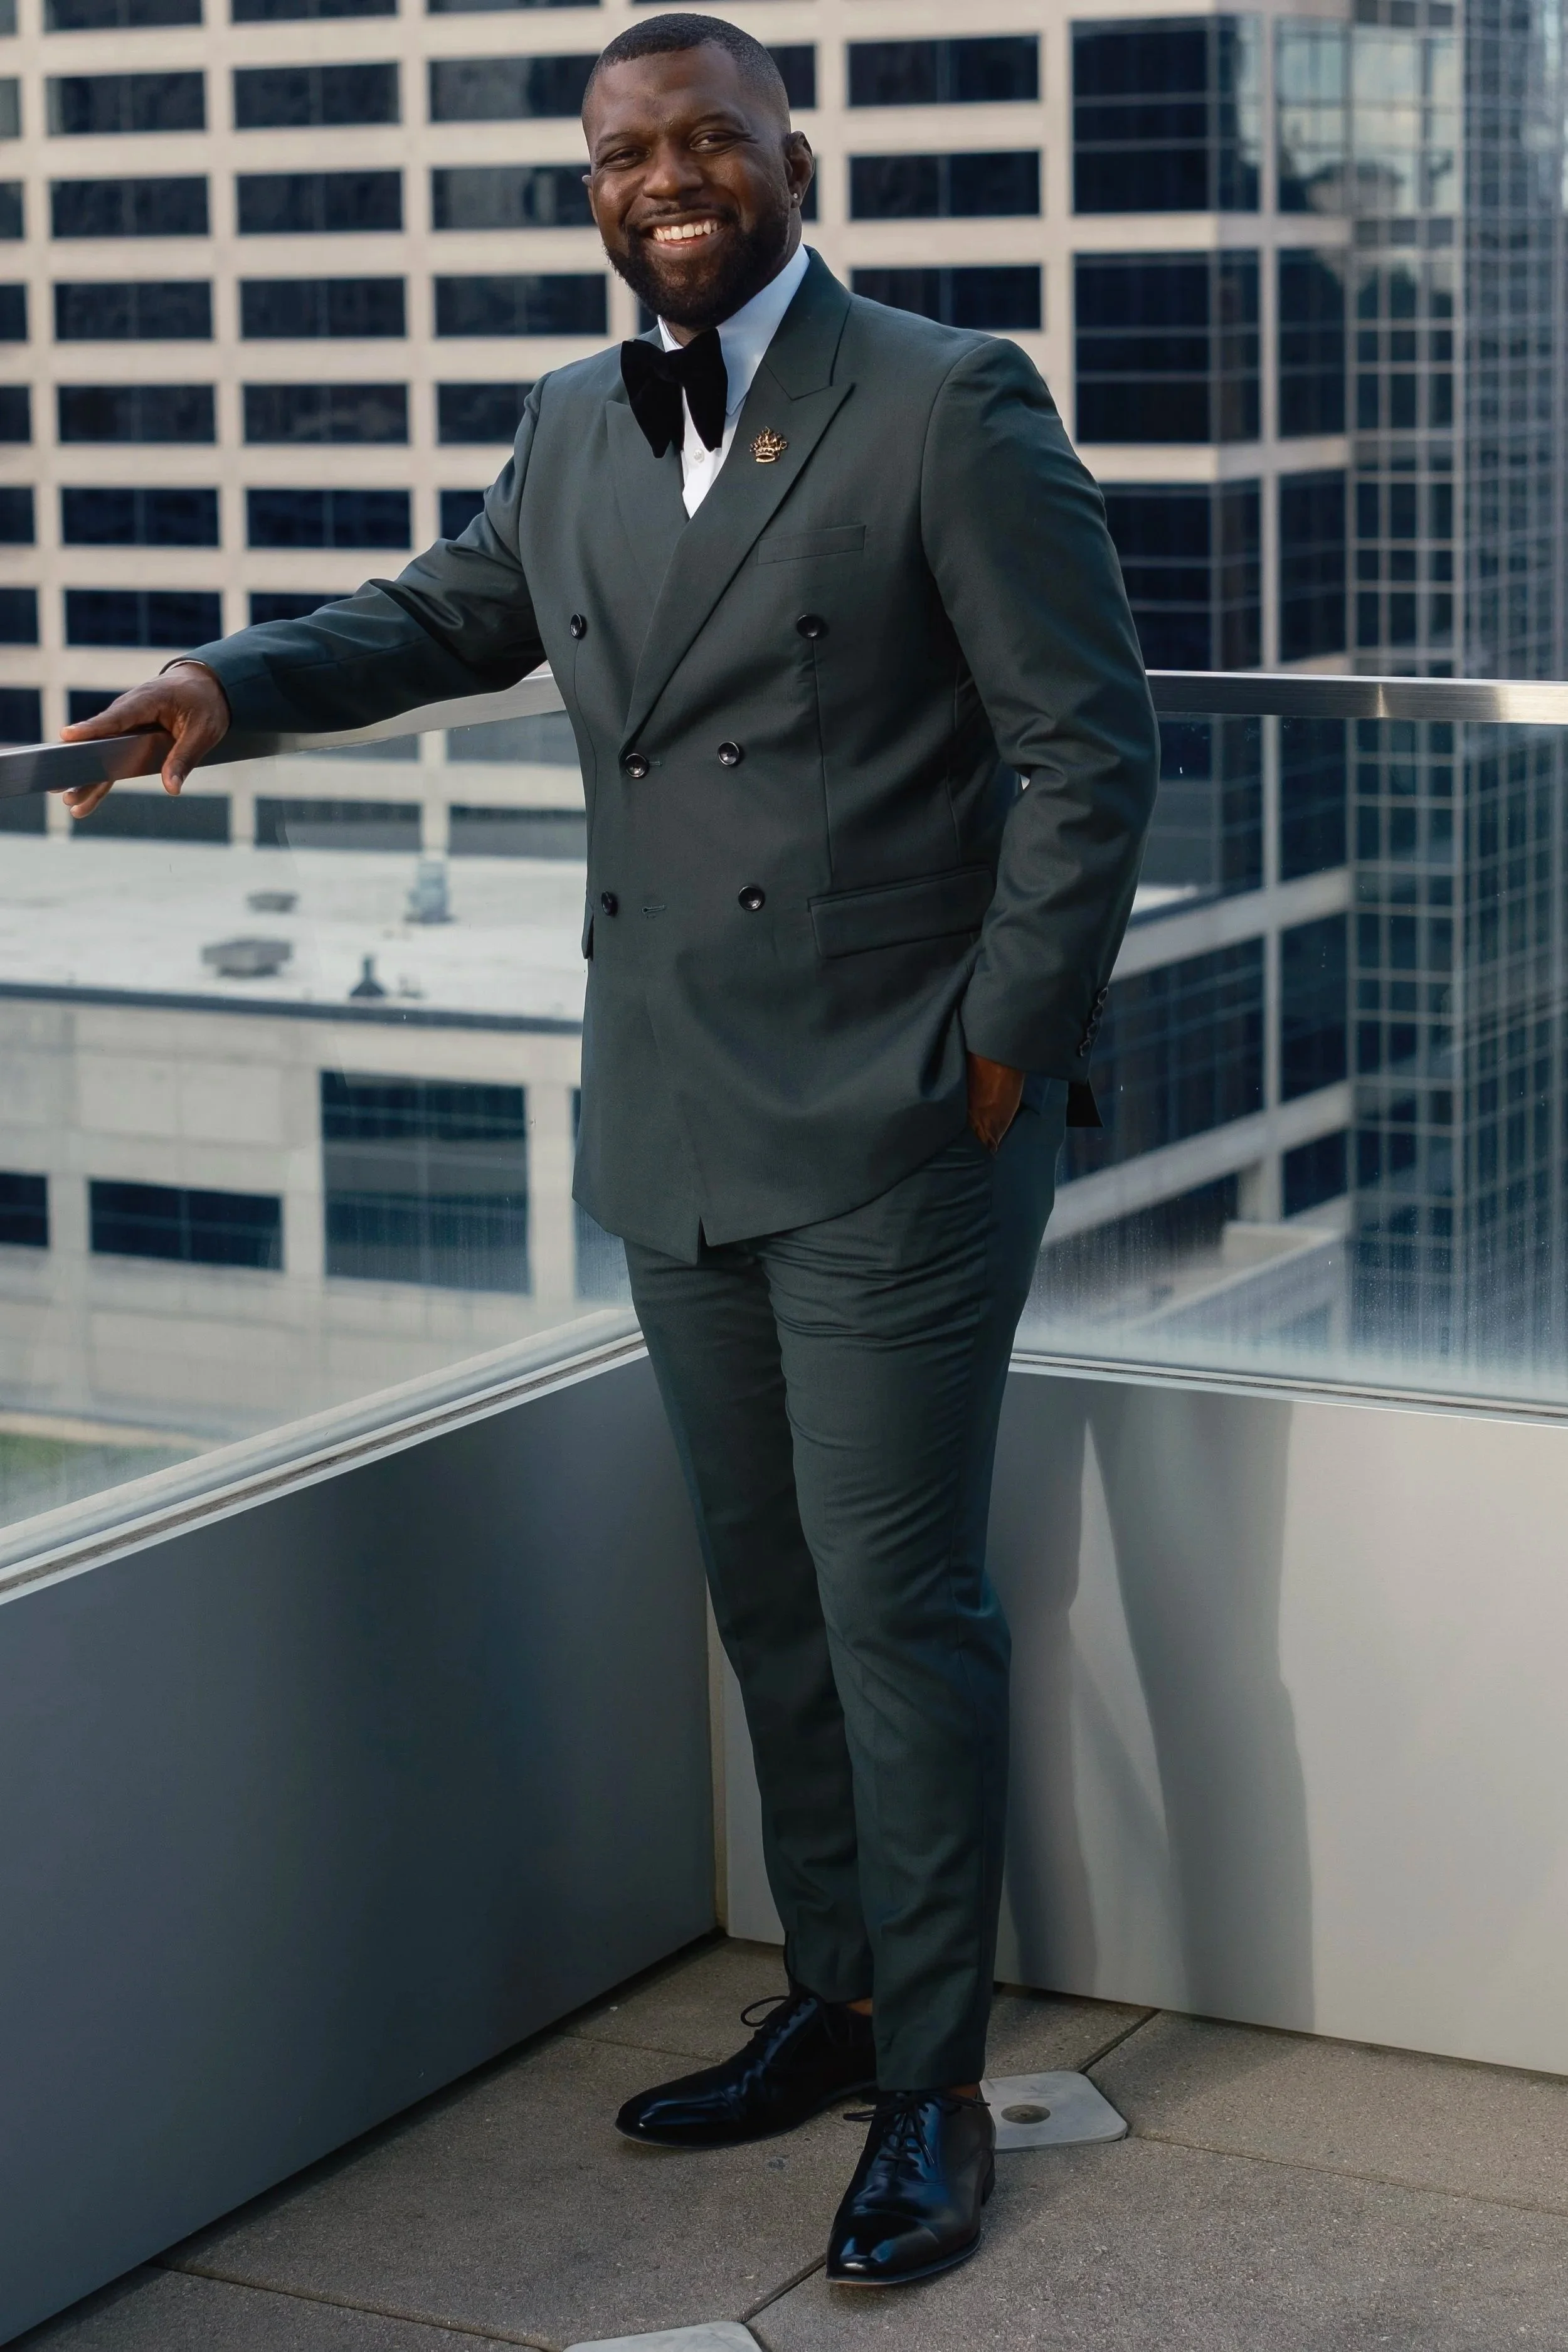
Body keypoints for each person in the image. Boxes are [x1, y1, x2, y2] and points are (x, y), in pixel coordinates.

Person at [63, 13, 1158, 2288]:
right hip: (668, 1096)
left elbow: (1089, 754)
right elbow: (453, 613)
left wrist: (998, 1052)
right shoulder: (574, 417)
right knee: (767, 1599)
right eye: (622, 152)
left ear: (788, 154)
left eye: (706, 139)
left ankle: (934, 2090)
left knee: (899, 1610)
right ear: (592, 187)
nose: (665, 177)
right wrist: (229, 685)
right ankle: (836, 1995)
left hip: (898, 1118)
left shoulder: (947, 397)